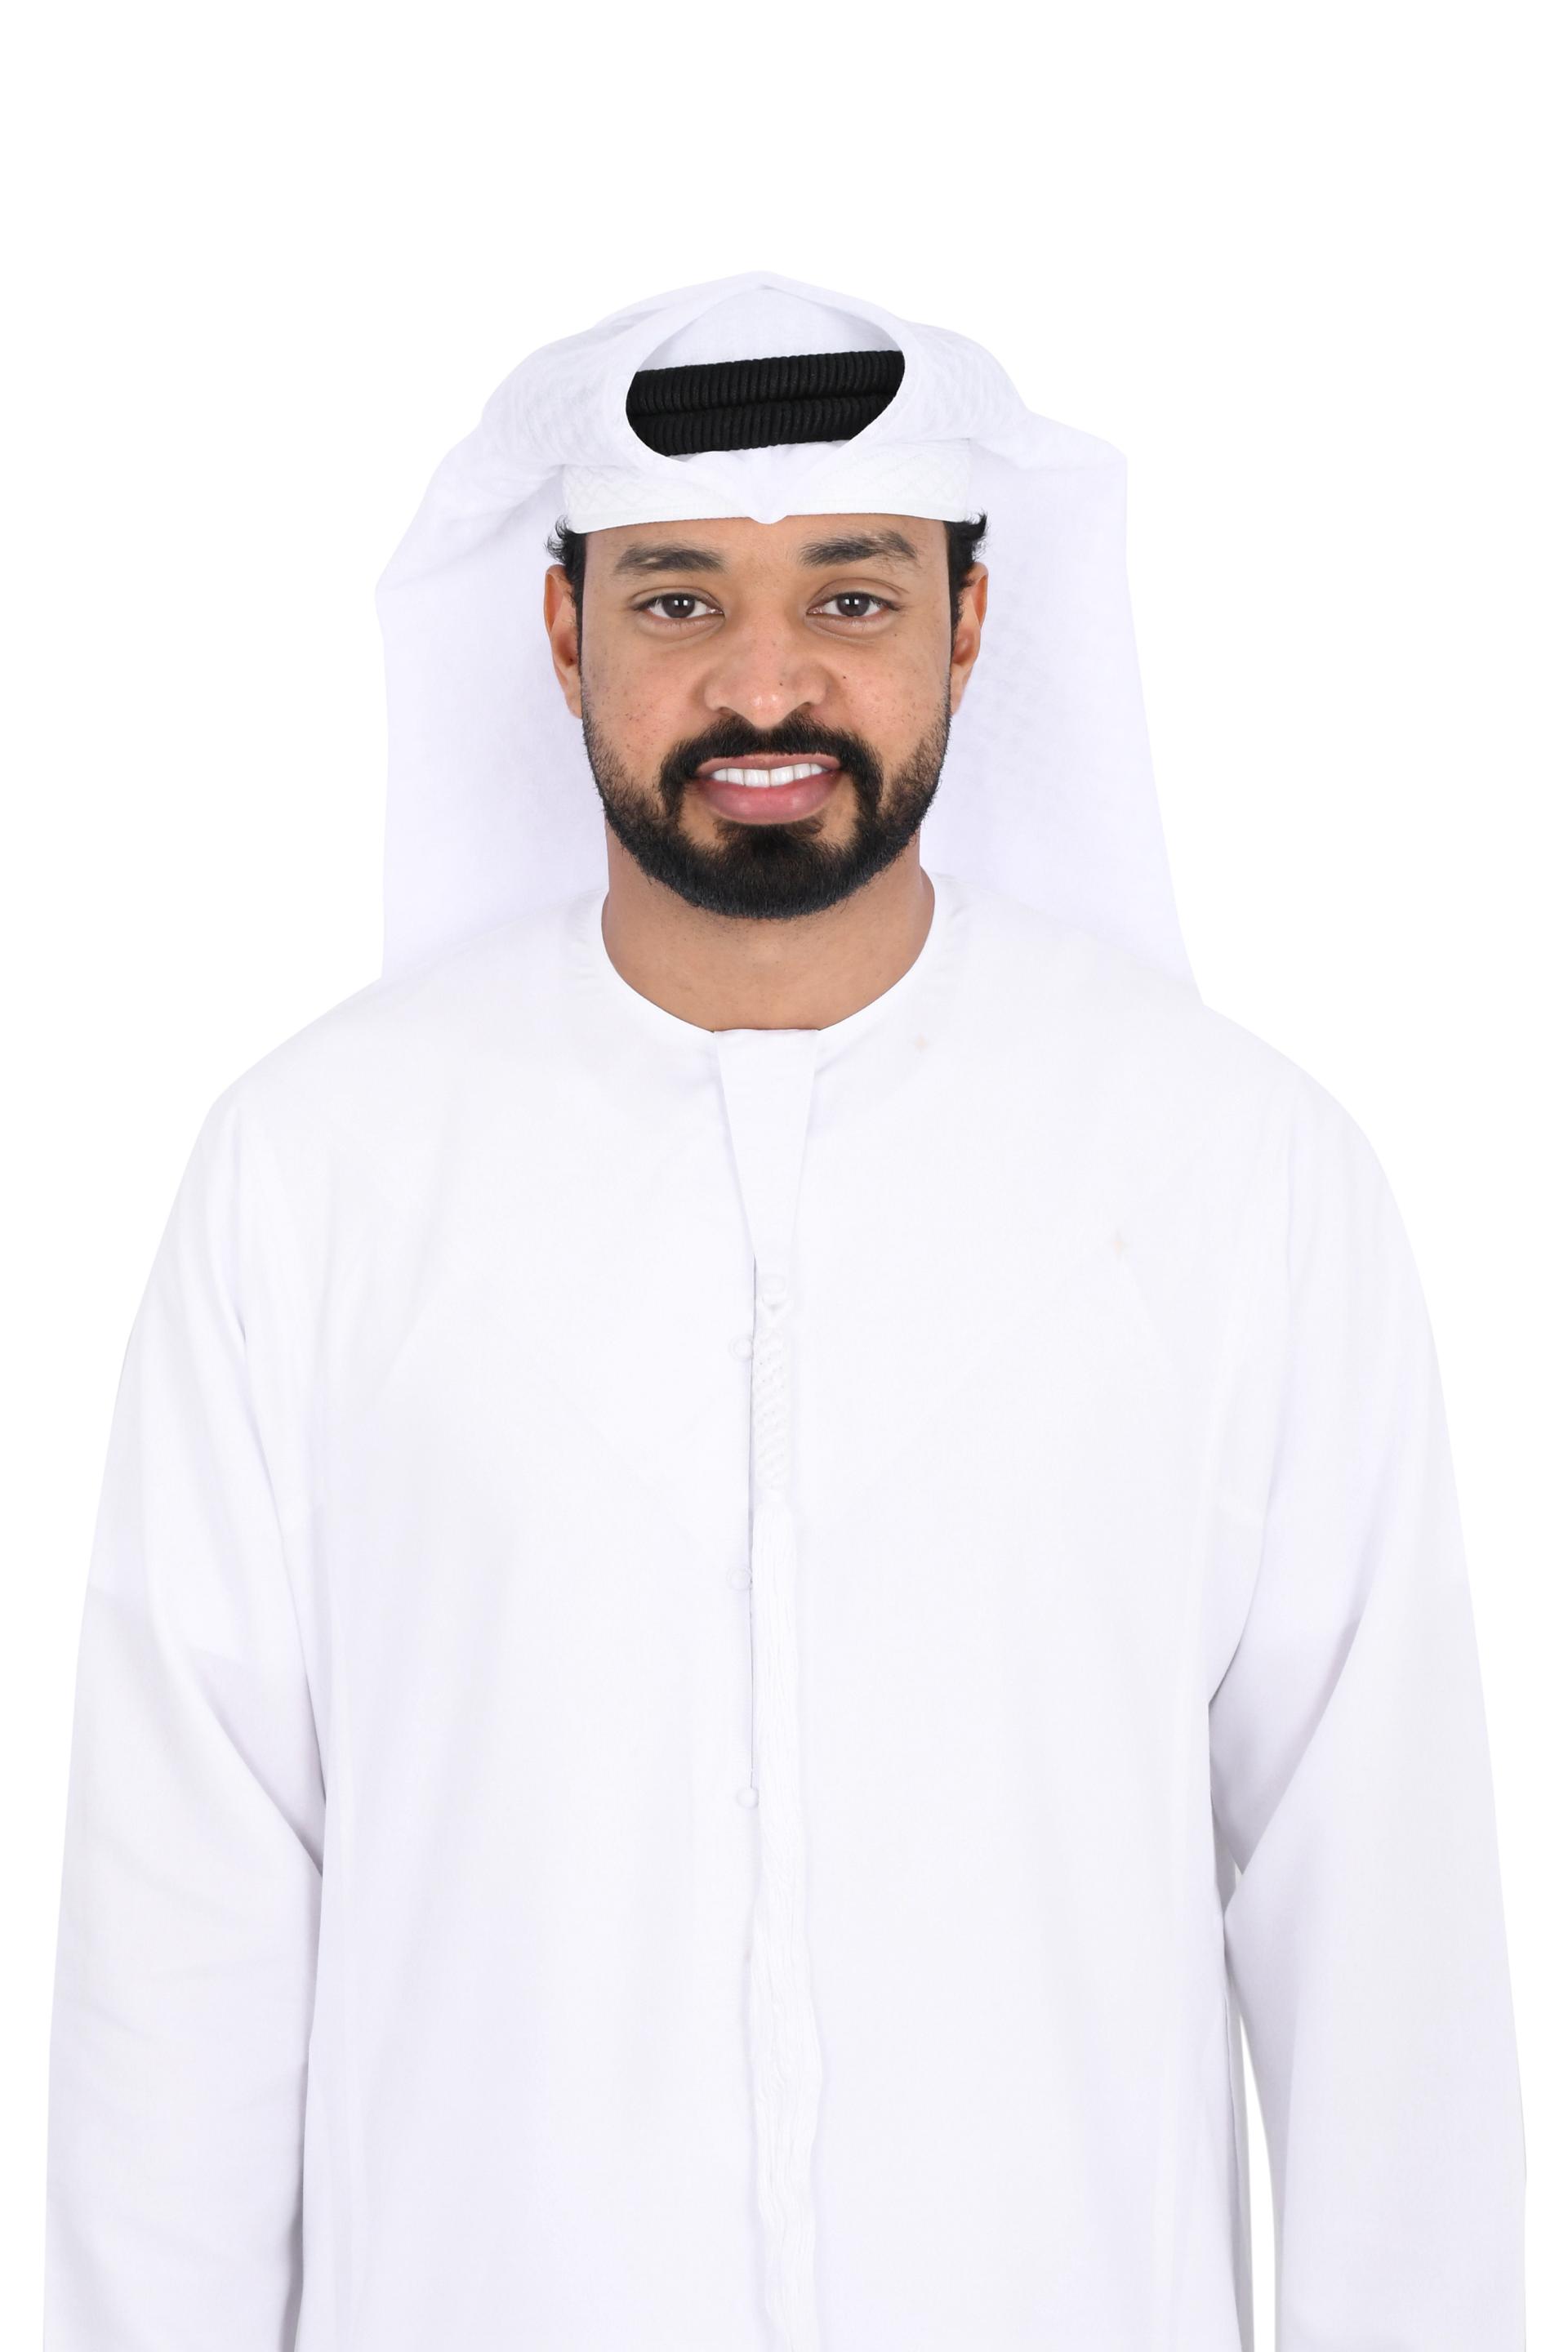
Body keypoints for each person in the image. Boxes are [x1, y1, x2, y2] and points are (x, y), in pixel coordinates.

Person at [42, 270, 1526, 2351]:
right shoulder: (317, 1181)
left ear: (970, 626)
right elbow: (180, 1956)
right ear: (560, 633)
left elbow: (1384, 1953)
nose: (766, 684)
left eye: (851, 594)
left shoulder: (1232, 1175)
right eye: (676, 599)